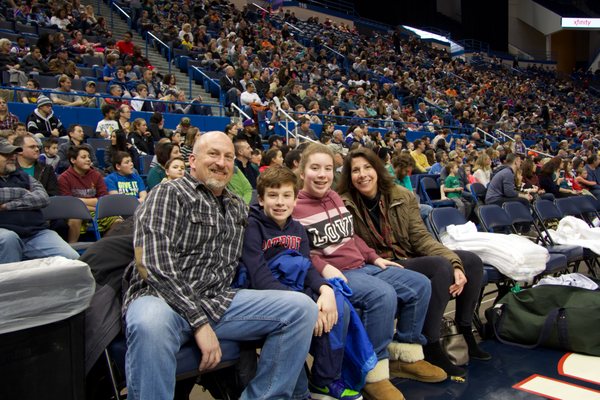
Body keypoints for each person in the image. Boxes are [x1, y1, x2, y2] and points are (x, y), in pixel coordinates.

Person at [122, 131, 318, 400]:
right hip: (161, 300)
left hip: (218, 301)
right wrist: (199, 324)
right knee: (149, 324)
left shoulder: (238, 206)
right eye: (213, 154)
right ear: (192, 160)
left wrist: (323, 279)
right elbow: (153, 265)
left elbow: (277, 221)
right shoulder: (168, 193)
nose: (222, 162)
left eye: (229, 157)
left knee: (301, 308)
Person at [293, 143, 444, 400]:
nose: (322, 175)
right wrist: (324, 266)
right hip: (339, 275)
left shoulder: (335, 197)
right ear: (301, 171)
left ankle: (405, 354)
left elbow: (350, 237)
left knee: (420, 284)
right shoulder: (295, 208)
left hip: (363, 266)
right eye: (315, 168)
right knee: (383, 295)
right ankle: (372, 372)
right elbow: (299, 254)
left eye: (328, 169)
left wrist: (374, 258)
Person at [337, 148, 489, 377]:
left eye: (367, 167)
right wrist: (448, 264)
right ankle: (430, 344)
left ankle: (464, 330)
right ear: (349, 176)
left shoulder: (401, 195)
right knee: (440, 267)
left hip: (407, 256)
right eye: (355, 170)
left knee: (471, 261)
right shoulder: (343, 204)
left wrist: (455, 262)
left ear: (377, 169)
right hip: (379, 265)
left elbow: (420, 237)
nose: (362, 174)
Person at [240, 166, 366, 399]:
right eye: (272, 195)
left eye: (287, 195)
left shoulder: (297, 228)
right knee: (300, 317)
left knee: (339, 304)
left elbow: (307, 266)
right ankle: (299, 391)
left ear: (295, 198)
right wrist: (304, 306)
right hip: (265, 295)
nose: (280, 202)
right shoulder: (252, 226)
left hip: (294, 288)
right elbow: (259, 276)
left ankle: (324, 379)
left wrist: (325, 289)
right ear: (261, 198)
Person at [0, 138, 79, 263]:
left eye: (13, 154)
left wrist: (8, 206)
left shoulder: (22, 175)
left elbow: (43, 198)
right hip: (5, 232)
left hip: (36, 232)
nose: (12, 157)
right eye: (6, 154)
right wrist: (23, 192)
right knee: (9, 239)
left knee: (73, 259)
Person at [58, 145, 116, 242]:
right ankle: (72, 249)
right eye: (83, 157)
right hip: (75, 212)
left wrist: (78, 201)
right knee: (74, 219)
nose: (88, 160)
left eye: (89, 157)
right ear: (73, 160)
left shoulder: (96, 175)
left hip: (95, 210)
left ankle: (103, 246)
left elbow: (104, 200)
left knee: (118, 221)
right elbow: (68, 204)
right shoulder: (64, 178)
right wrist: (94, 203)